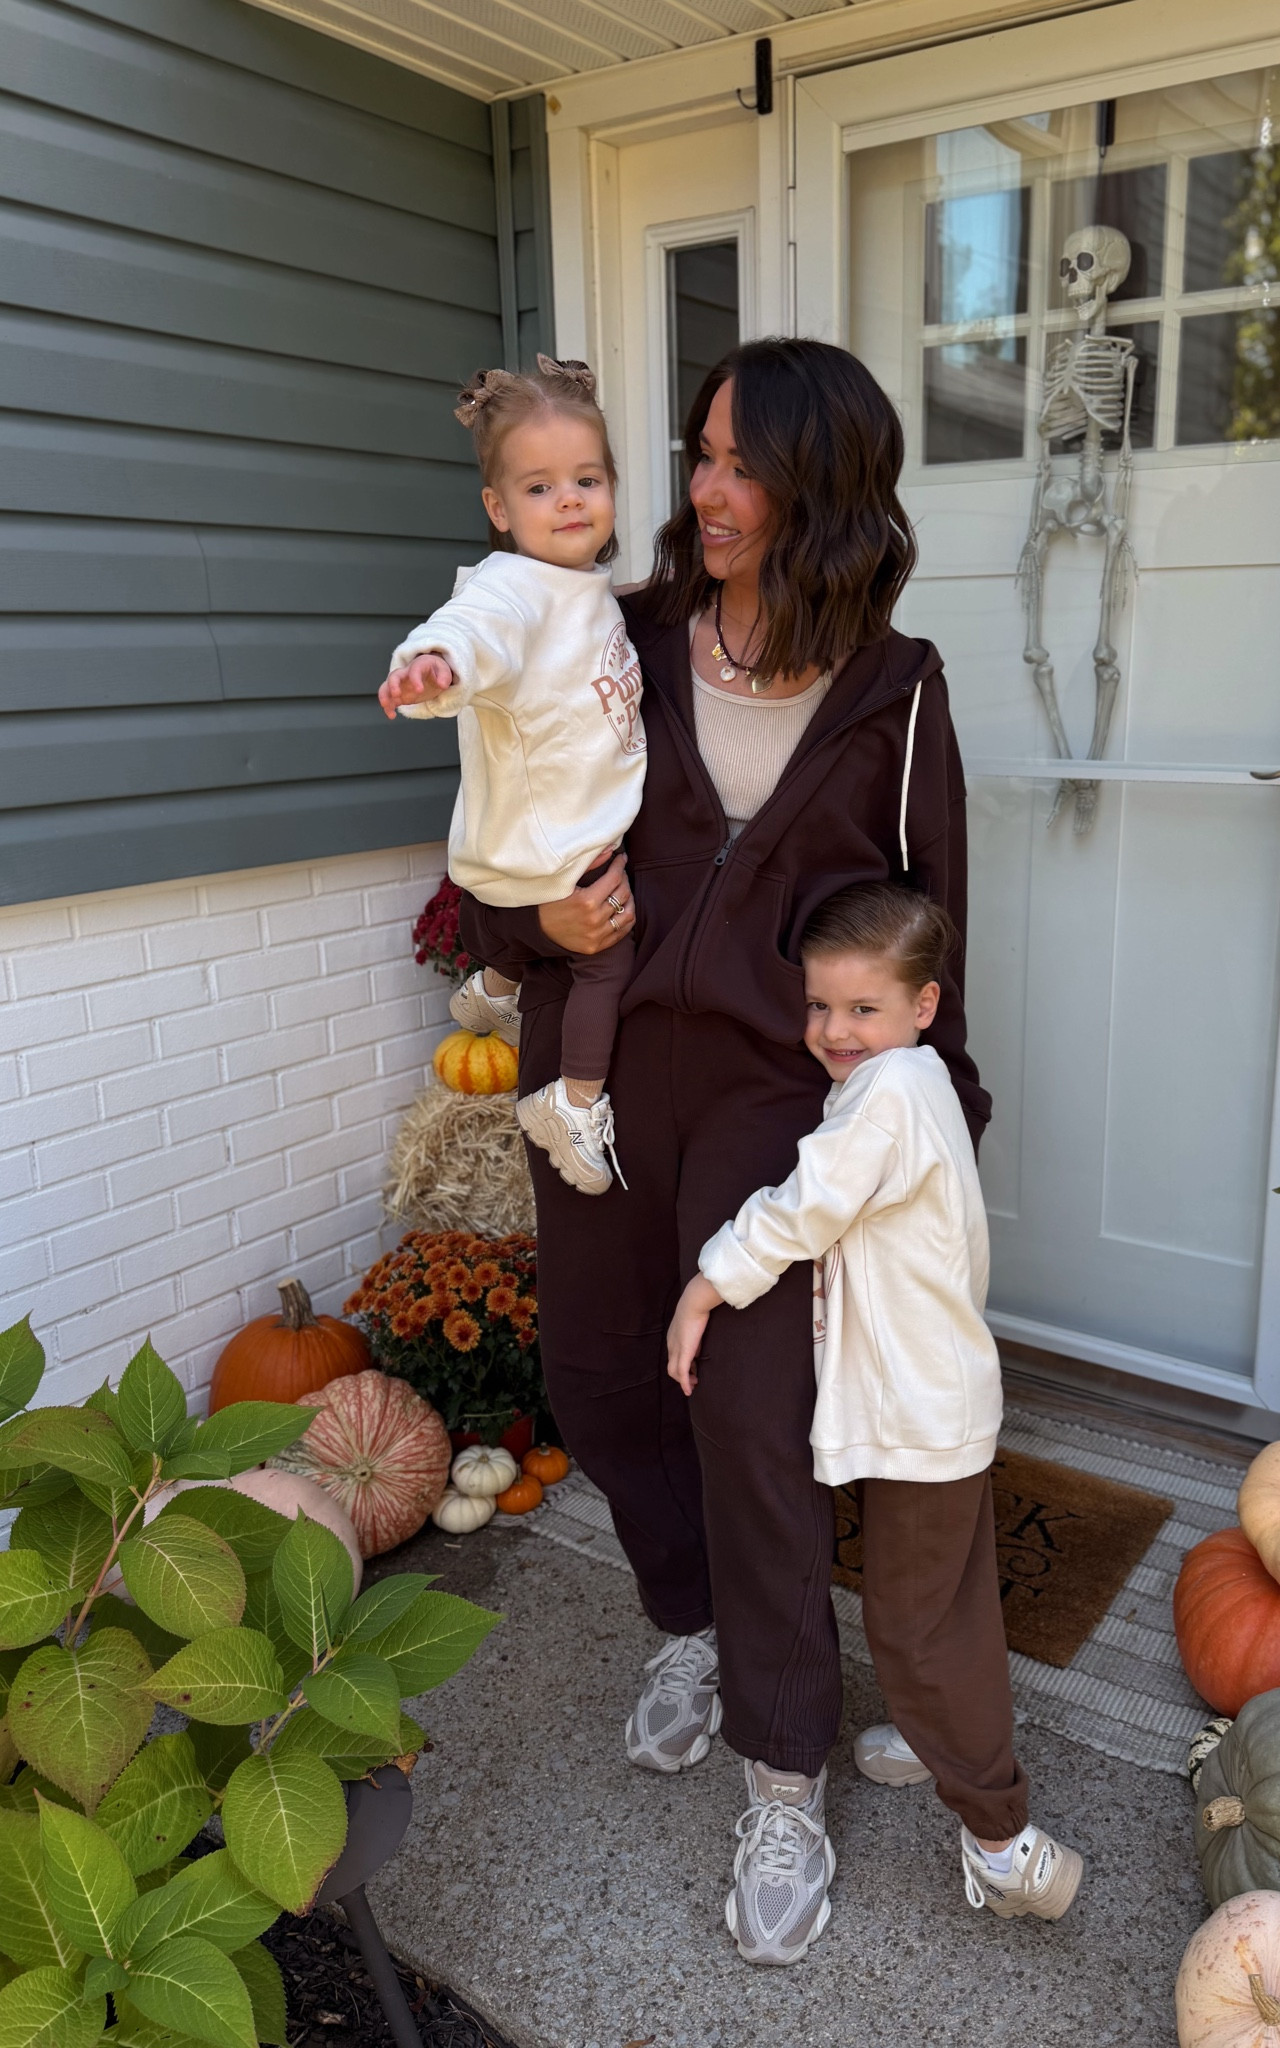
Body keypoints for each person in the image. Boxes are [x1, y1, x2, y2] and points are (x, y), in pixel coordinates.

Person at [455, 338, 992, 1967]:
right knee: (601, 1376)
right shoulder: (607, 638)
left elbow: (931, 928)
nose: (704, 488)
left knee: (752, 1419)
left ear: (823, 485)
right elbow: (498, 858)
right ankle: (684, 1621)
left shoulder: (898, 689)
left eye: (742, 462)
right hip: (600, 1074)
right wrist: (534, 928)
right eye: (697, 453)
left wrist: (938, 1125)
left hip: (778, 1106)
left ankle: (782, 1769)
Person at [666, 880, 1085, 1929]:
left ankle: (1004, 1841)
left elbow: (804, 1205)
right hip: (938, 1398)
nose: (834, 1030)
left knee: (914, 1627)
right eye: (819, 1005)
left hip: (919, 1415)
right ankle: (940, 1733)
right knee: (948, 1602)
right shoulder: (920, 1078)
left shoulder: (887, 1092)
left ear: (923, 1005)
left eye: (863, 1007)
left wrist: (706, 1284)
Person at [380, 355, 643, 1196]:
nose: (569, 500)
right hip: (551, 850)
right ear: (498, 509)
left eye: (587, 480)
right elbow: (472, 628)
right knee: (607, 958)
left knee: (548, 945)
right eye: (539, 488)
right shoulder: (514, 590)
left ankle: (495, 986)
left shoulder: (578, 586)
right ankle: (573, 1102)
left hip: (542, 839)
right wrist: (433, 665)